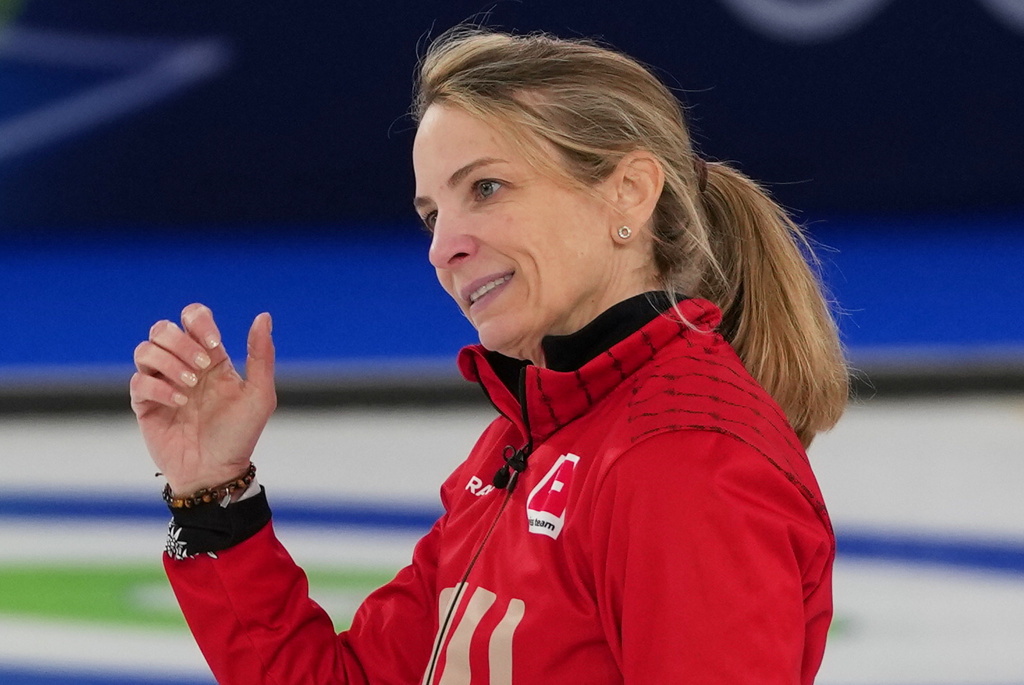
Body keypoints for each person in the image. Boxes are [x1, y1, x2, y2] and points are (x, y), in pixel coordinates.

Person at [130, 26, 848, 684]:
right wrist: (215, 496)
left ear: (628, 193)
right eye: (432, 215)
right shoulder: (527, 437)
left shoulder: (685, 461)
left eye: (487, 188)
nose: (445, 247)